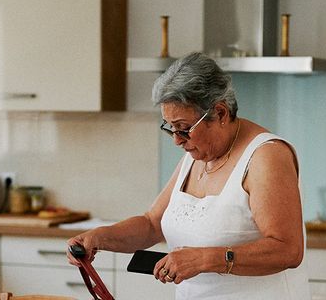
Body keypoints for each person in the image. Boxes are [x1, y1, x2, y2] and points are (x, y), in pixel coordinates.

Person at [67, 52, 310, 299]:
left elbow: (288, 250)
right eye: (170, 128)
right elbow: (152, 225)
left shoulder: (266, 156)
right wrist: (98, 237)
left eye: (183, 128)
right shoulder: (196, 156)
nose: (176, 140)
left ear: (221, 113)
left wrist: (205, 258)